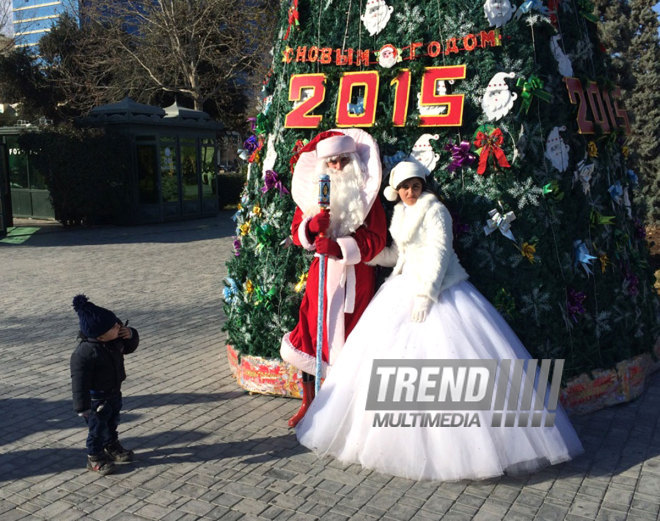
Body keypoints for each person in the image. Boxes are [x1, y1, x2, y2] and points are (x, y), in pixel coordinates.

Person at [295, 161, 584, 481]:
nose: (409, 192)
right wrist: (363, 256)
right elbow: (398, 256)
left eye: (415, 186)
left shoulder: (436, 212)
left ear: (423, 186)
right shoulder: (401, 213)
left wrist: (426, 294)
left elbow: (439, 255)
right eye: (404, 187)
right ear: (396, 190)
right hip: (401, 288)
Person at [280, 129, 387, 428]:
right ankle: (309, 401)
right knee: (311, 334)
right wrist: (311, 228)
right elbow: (297, 233)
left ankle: (350, 407)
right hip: (321, 276)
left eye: (343, 160)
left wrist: (341, 247)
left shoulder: (368, 197)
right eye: (332, 162)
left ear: (352, 160)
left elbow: (376, 239)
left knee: (353, 339)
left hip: (356, 278)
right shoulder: (312, 194)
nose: (338, 167)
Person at [70, 294, 139, 475]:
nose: (119, 326)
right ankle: (94, 456)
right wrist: (82, 407)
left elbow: (130, 346)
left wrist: (131, 334)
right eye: (114, 326)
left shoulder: (113, 340)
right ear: (100, 335)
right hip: (96, 399)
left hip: (114, 392)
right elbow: (79, 381)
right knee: (97, 428)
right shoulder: (84, 353)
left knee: (112, 422)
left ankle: (111, 446)